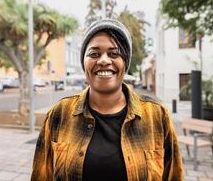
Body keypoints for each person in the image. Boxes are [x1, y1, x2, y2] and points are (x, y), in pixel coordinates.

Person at [31, 19, 183, 181]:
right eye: (94, 54)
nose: (104, 60)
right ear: (84, 62)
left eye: (114, 53)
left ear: (125, 62)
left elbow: (174, 176)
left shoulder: (157, 116)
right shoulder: (59, 114)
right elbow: (41, 175)